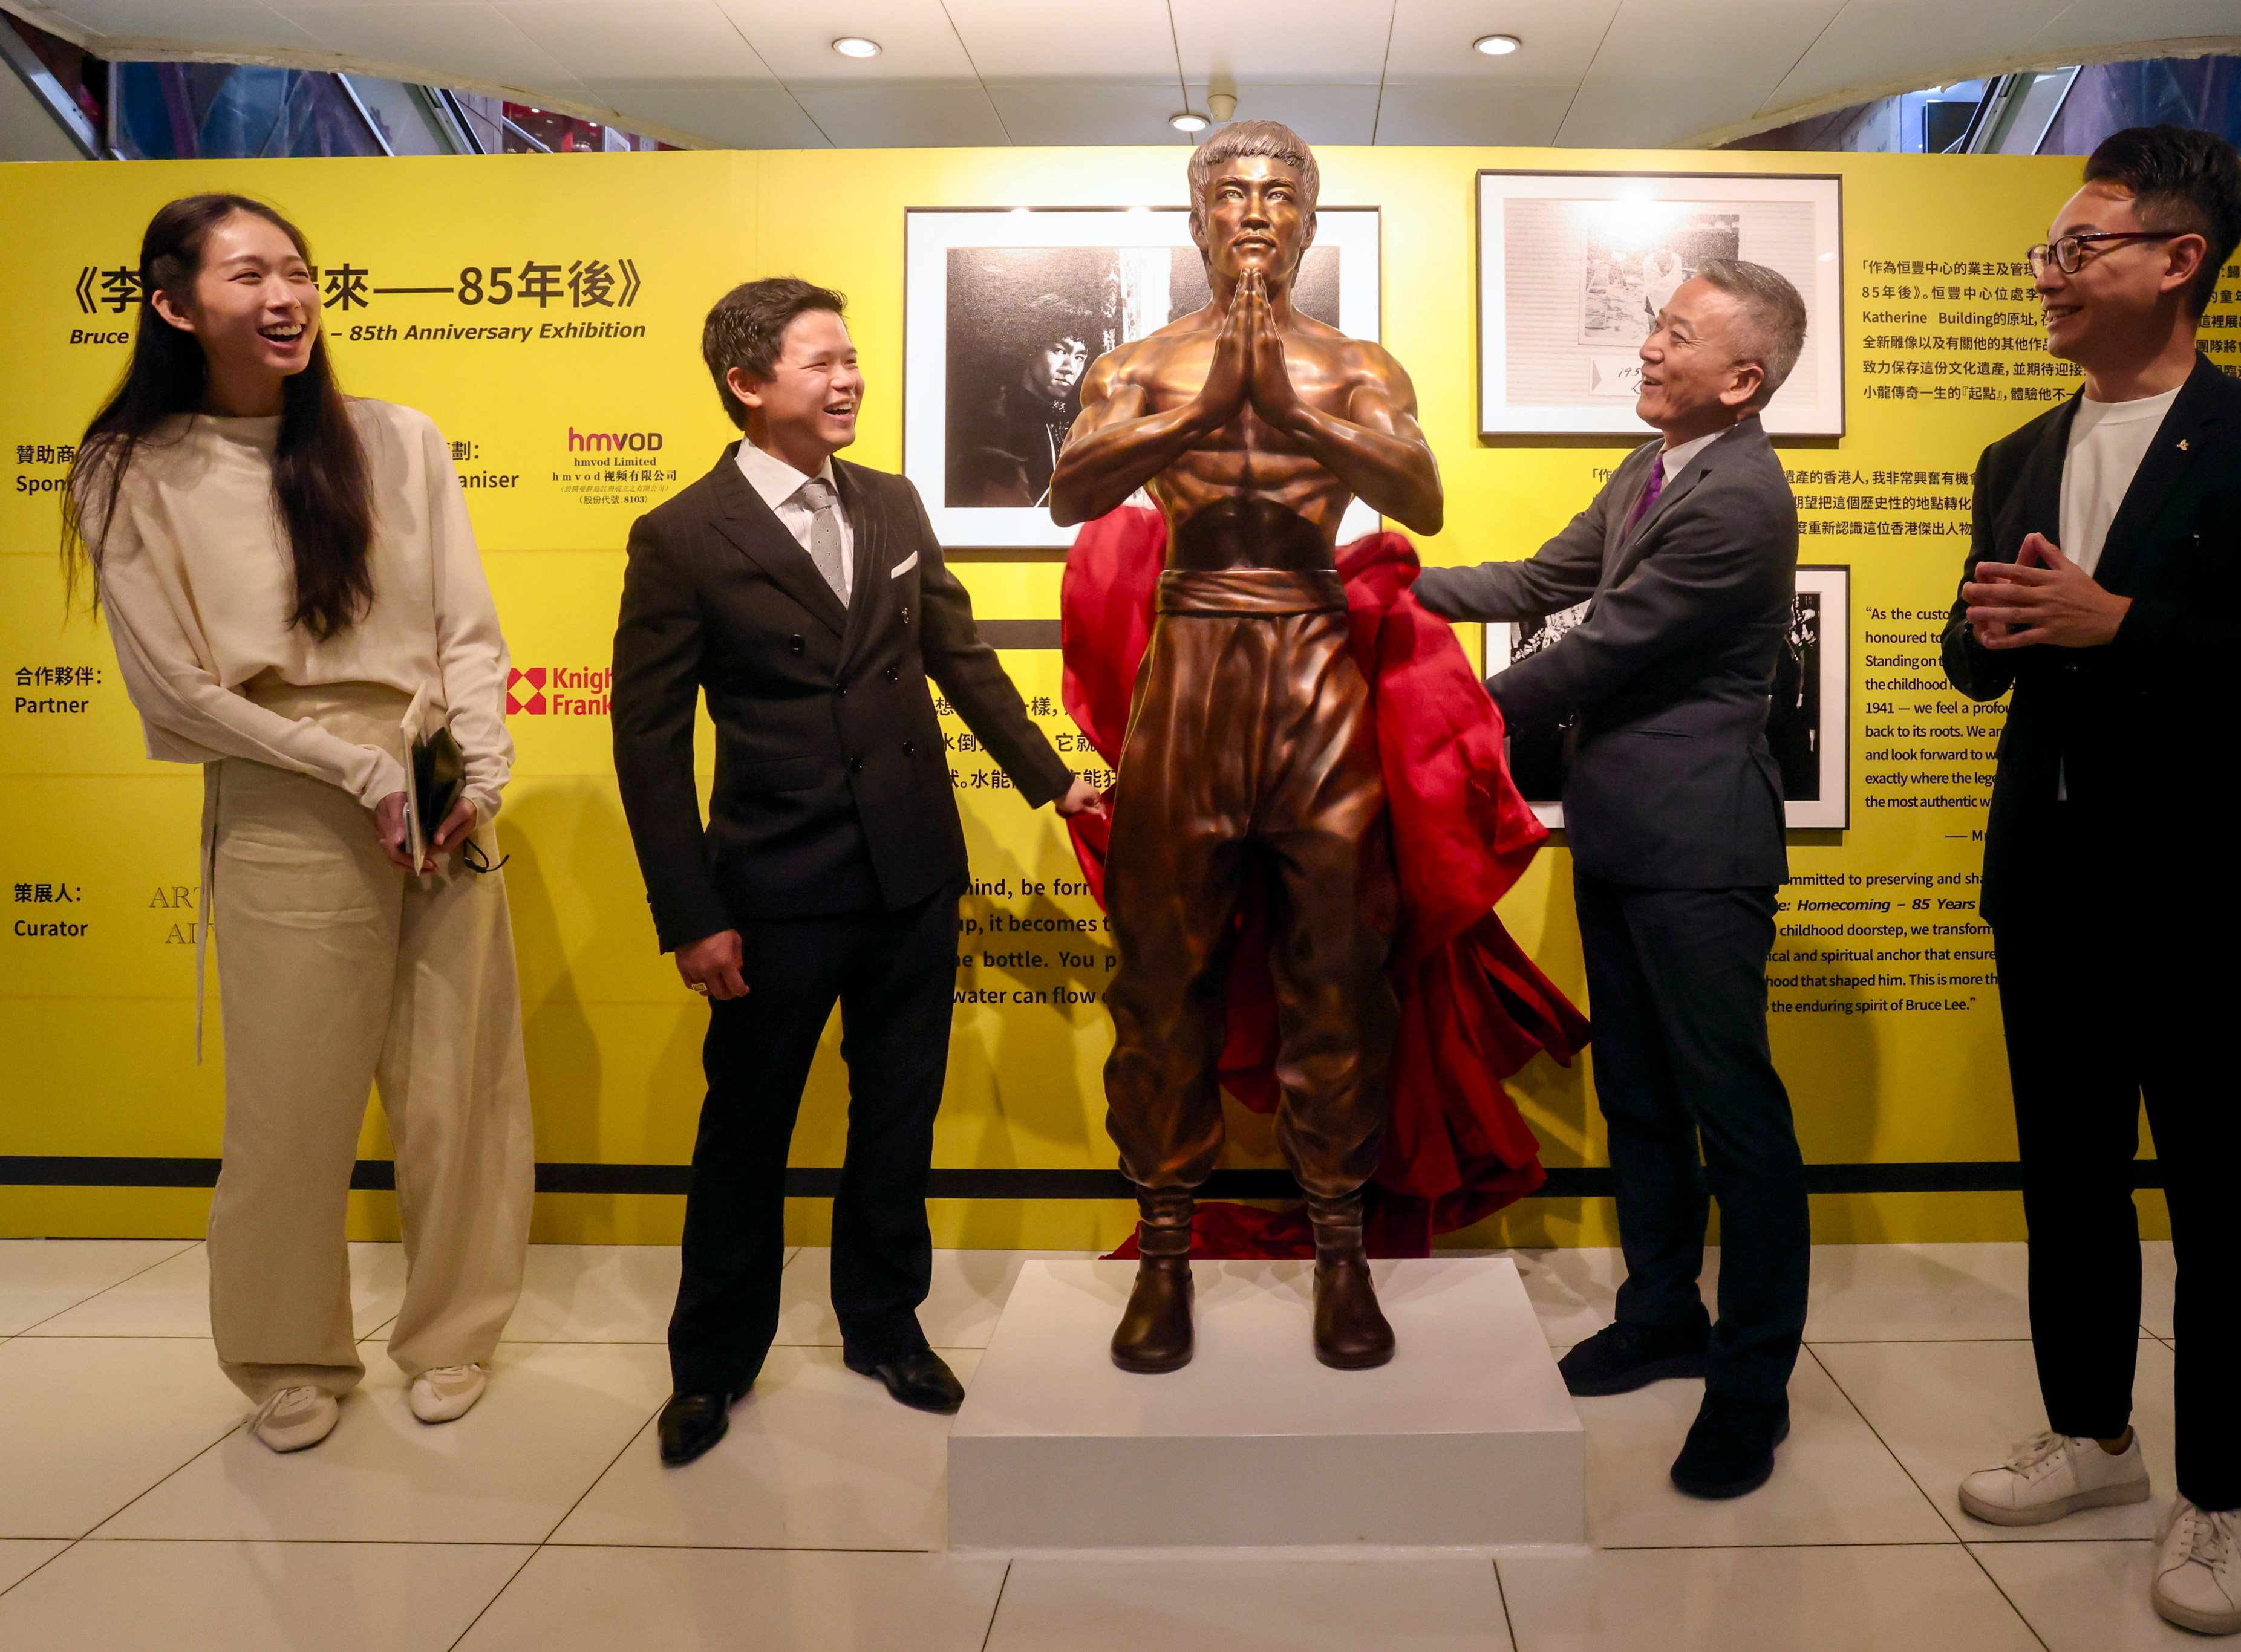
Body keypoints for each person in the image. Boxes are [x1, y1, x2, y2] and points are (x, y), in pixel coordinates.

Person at [1940, 126, 2241, 1636]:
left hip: (2212, 894)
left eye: (2078, 248)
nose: (2047, 277)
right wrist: (1994, 632)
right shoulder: (2016, 455)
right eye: (2047, 254)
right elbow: (1969, 657)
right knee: (2067, 1185)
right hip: (2047, 884)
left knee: (2225, 1203)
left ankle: (2224, 1496)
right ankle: (2093, 1437)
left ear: (2177, 260)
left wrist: (2119, 621)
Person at [67, 193, 533, 1454]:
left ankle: (452, 1332)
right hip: (283, 784)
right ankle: (287, 1352)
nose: (284, 297)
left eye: (298, 272)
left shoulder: (396, 438)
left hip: (431, 776)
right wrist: (347, 769)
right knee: (289, 1103)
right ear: (173, 304)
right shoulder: (132, 468)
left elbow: (468, 633)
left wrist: (469, 774)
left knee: (461, 1086)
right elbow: (177, 691)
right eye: (247, 276)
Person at [612, 278, 1103, 1467]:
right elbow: (648, 738)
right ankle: (711, 1367)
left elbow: (959, 654)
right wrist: (692, 913)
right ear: (747, 383)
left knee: (896, 1122)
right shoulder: (681, 533)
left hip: (911, 874)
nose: (849, 380)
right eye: (821, 362)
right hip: (772, 888)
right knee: (747, 1133)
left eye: (852, 359)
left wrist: (1053, 779)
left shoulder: (888, 502)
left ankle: (886, 1327)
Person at [1049, 120, 1443, 1375]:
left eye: (1279, 192)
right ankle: (1163, 1249)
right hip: (1192, 662)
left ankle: (1339, 1250)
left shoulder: (1354, 365)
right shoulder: (1141, 364)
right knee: (1159, 972)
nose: (1255, 211)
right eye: (1230, 191)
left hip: (1313, 662)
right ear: (1197, 218)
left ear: (1311, 219)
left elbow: (1421, 497)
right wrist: (1210, 399)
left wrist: (1285, 402)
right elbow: (1070, 491)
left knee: (1338, 964)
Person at [1413, 260, 1810, 1500]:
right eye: (1653, 322)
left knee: (1734, 1120)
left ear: (1739, 380)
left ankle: (1749, 1385)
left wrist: (1430, 706)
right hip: (1623, 839)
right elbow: (1537, 585)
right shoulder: (1648, 468)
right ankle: (1659, 1315)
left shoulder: (1736, 498)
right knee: (1639, 1095)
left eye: (1676, 334)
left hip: (1699, 850)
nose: (1646, 346)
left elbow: (1590, 653)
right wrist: (1371, 588)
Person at [951, 292, 1099, 507]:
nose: (1071, 368)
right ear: (1031, 349)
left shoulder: (1065, 418)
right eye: (1059, 350)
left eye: (1080, 357)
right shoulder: (998, 419)